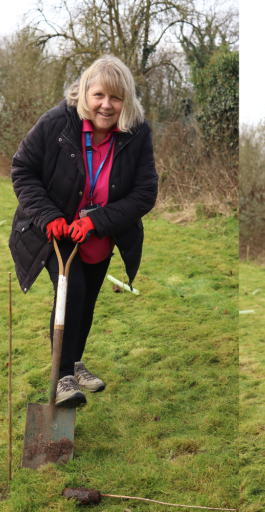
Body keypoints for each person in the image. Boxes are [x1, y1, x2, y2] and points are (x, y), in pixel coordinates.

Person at [9, 55, 158, 407]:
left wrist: (96, 221)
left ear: (127, 100)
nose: (107, 105)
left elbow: (144, 193)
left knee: (87, 300)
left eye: (116, 97)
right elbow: (23, 169)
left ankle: (74, 364)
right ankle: (62, 379)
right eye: (99, 95)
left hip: (99, 233)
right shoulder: (57, 122)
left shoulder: (138, 133)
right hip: (54, 231)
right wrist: (48, 216)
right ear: (85, 93)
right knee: (71, 292)